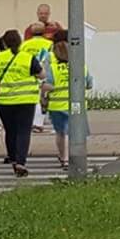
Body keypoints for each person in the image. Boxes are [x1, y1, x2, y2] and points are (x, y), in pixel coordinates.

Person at [0, 29, 40, 177]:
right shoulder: (28, 58)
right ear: (20, 42)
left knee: (10, 131)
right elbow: (41, 74)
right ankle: (20, 162)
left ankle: (12, 158)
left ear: (4, 43)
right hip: (26, 100)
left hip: (4, 101)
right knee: (23, 131)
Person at [41, 38, 88, 170]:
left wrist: (43, 93)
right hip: (76, 105)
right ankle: (75, 156)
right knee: (73, 131)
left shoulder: (52, 69)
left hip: (57, 106)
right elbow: (89, 83)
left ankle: (63, 157)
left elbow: (48, 86)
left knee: (60, 133)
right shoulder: (80, 66)